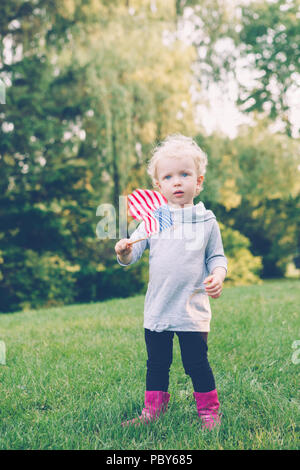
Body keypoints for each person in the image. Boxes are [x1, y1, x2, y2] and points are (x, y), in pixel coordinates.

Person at [115, 134, 227, 430]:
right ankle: (152, 411)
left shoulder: (206, 220)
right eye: (168, 176)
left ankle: (208, 412)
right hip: (159, 309)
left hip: (191, 311)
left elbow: (217, 257)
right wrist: (124, 250)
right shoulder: (154, 218)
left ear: (198, 181)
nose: (177, 182)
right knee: (157, 364)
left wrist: (218, 275)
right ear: (159, 186)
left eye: (184, 174)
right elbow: (134, 252)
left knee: (196, 364)